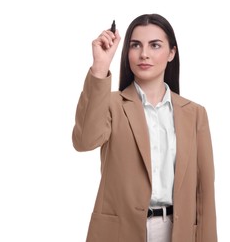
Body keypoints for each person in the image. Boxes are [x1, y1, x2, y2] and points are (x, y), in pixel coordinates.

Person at [72, 13, 217, 242]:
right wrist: (100, 66)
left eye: (155, 45)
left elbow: (204, 192)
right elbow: (84, 141)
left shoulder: (195, 114)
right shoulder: (110, 104)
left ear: (171, 53)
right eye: (135, 45)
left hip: (177, 232)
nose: (144, 54)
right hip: (120, 232)